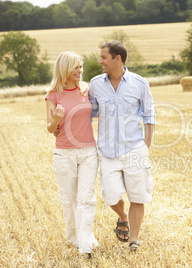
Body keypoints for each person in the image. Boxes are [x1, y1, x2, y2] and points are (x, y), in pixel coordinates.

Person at [89, 41, 155, 252]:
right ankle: (122, 216)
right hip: (107, 152)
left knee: (138, 195)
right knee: (110, 195)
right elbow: (89, 113)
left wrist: (146, 144)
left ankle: (134, 239)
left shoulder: (139, 83)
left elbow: (149, 114)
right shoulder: (95, 84)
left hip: (134, 148)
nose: (100, 61)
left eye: (103, 58)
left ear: (117, 59)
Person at [45, 51, 98, 258]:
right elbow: (50, 128)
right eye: (75, 67)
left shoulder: (87, 90)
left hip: (88, 152)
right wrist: (57, 119)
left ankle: (85, 244)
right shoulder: (53, 94)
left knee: (87, 198)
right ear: (64, 69)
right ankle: (75, 237)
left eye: (80, 67)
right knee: (69, 200)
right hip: (64, 153)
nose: (80, 71)